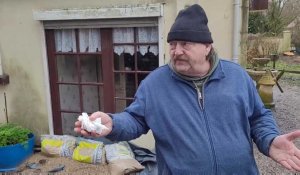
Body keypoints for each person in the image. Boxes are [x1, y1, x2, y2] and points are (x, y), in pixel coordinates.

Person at [74, 4, 300, 174]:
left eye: (185, 44)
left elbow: (259, 117)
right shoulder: (155, 84)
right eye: (172, 44)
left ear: (207, 47)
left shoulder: (236, 77)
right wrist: (113, 123)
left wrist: (269, 140)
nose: (176, 51)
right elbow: (135, 119)